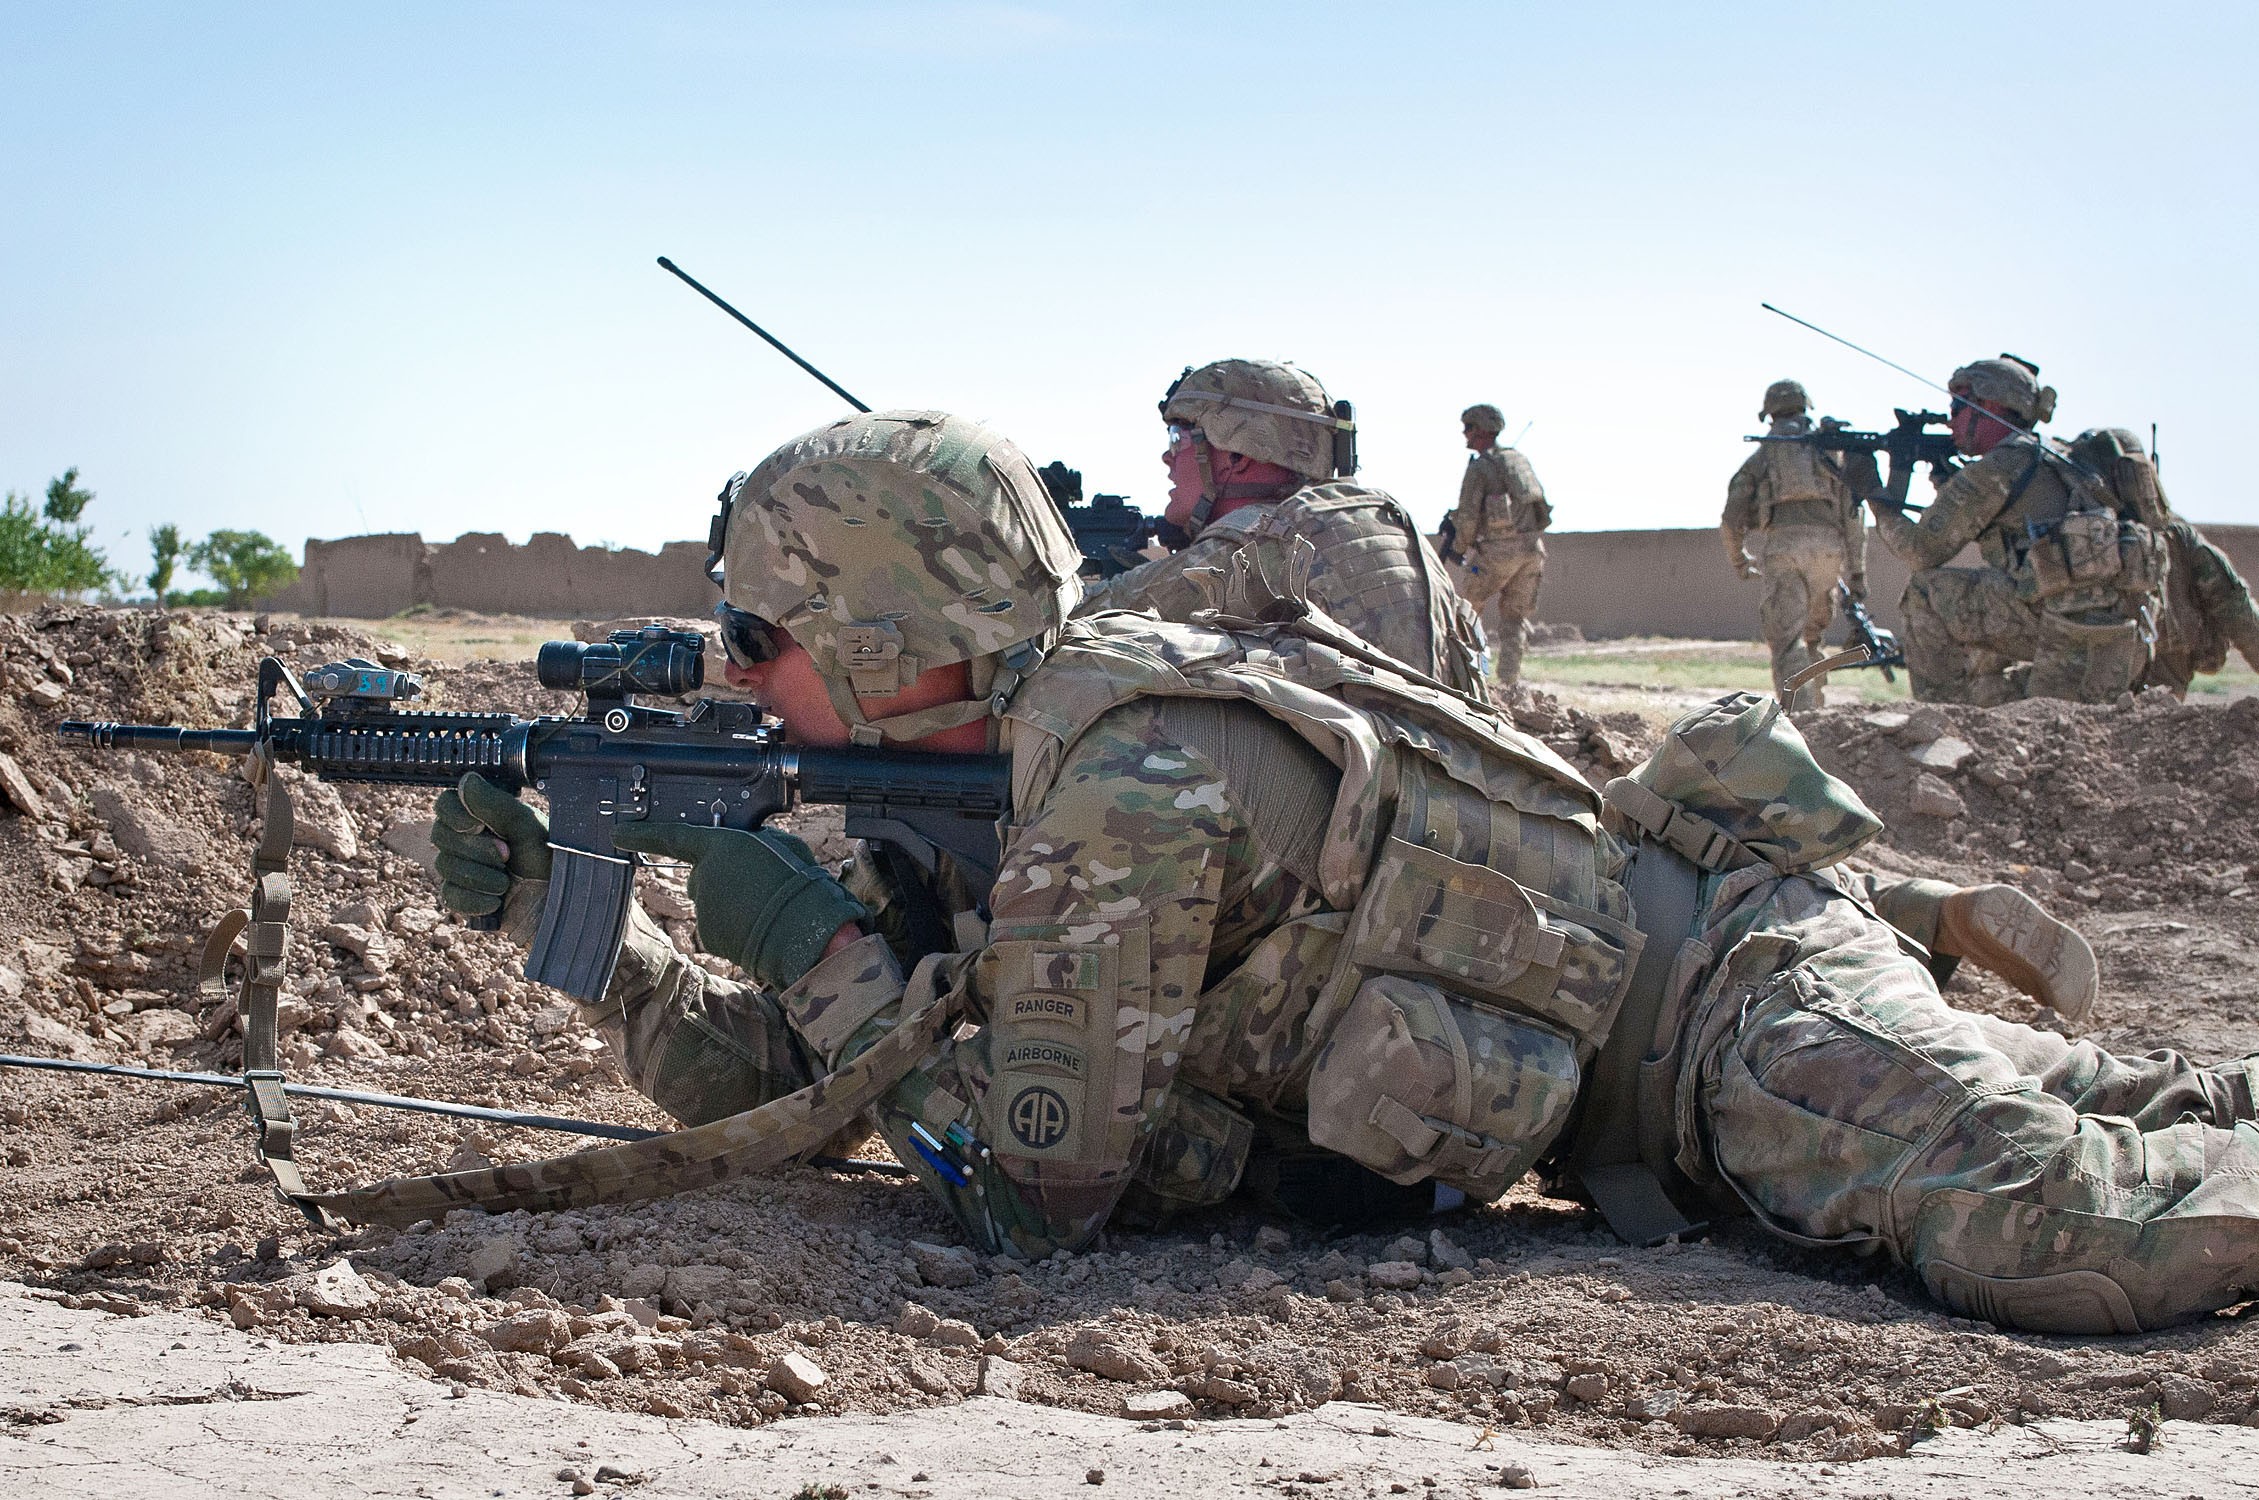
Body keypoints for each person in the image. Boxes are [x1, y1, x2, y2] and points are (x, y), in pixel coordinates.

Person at [429, 408, 2259, 1339]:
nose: (737, 669)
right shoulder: (980, 774)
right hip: (1694, 1033)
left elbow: (1024, 1193)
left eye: (762, 630)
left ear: (895, 631)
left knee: (2069, 1232)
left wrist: (801, 930)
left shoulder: (1121, 779)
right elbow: (845, 1093)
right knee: (2144, 1104)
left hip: (1728, 1021)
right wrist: (581, 938)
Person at [1075, 359, 1487, 696]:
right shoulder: (1379, 513)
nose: (1167, 457)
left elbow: (1080, 615)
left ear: (1237, 454)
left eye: (1178, 438)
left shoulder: (1264, 534)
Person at [1868, 355, 2163, 705]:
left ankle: (1940, 715)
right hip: (2123, 638)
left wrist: (1877, 498)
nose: (1950, 421)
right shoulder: (2055, 456)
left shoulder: (2000, 465)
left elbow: (1920, 552)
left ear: (1989, 406)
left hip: (2058, 629)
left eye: (1958, 406)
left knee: (1926, 593)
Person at [1720, 380, 1867, 711]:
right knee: (1812, 639)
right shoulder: (1831, 455)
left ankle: (1798, 722)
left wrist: (1739, 560)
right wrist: (1857, 572)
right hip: (1829, 555)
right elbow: (1855, 515)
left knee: (1788, 643)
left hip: (1784, 550)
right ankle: (1817, 713)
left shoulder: (1763, 457)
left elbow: (1732, 516)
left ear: (1769, 415)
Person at [1442, 404, 1550, 688]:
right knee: (1514, 620)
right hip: (1532, 551)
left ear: (1480, 431)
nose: (1465, 434)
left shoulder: (1480, 468)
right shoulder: (1517, 461)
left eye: (1468, 428)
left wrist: (1459, 547)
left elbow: (1466, 517)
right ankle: (1508, 684)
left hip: (1497, 554)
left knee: (1463, 614)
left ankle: (1463, 682)